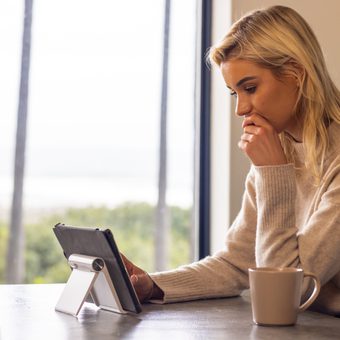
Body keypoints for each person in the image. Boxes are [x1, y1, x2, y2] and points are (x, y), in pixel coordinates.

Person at [122, 5, 340, 315]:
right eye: (233, 93)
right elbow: (237, 263)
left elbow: (288, 292)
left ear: (296, 73)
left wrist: (272, 172)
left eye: (250, 88)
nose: (240, 109)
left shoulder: (297, 160)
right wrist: (153, 285)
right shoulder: (279, 150)